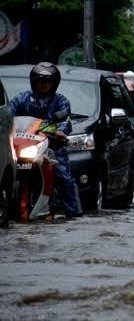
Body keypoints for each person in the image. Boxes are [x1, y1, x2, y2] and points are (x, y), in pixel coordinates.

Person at [10, 62, 82, 217]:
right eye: (40, 81)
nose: (44, 85)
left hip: (52, 147)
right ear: (34, 82)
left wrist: (61, 131)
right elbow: (8, 114)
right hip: (23, 145)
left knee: (64, 177)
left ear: (54, 84)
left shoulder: (61, 101)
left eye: (47, 82)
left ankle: (74, 212)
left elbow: (65, 121)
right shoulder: (21, 98)